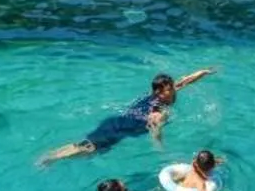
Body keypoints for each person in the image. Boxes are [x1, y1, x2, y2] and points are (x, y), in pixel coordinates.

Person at [38, 67, 218, 167]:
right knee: (91, 148)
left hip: (117, 121)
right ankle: (51, 158)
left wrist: (203, 72)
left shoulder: (166, 93)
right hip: (123, 127)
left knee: (87, 144)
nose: (172, 90)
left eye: (171, 86)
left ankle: (52, 155)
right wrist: (162, 152)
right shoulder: (158, 110)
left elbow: (185, 81)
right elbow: (155, 131)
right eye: (168, 89)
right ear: (158, 93)